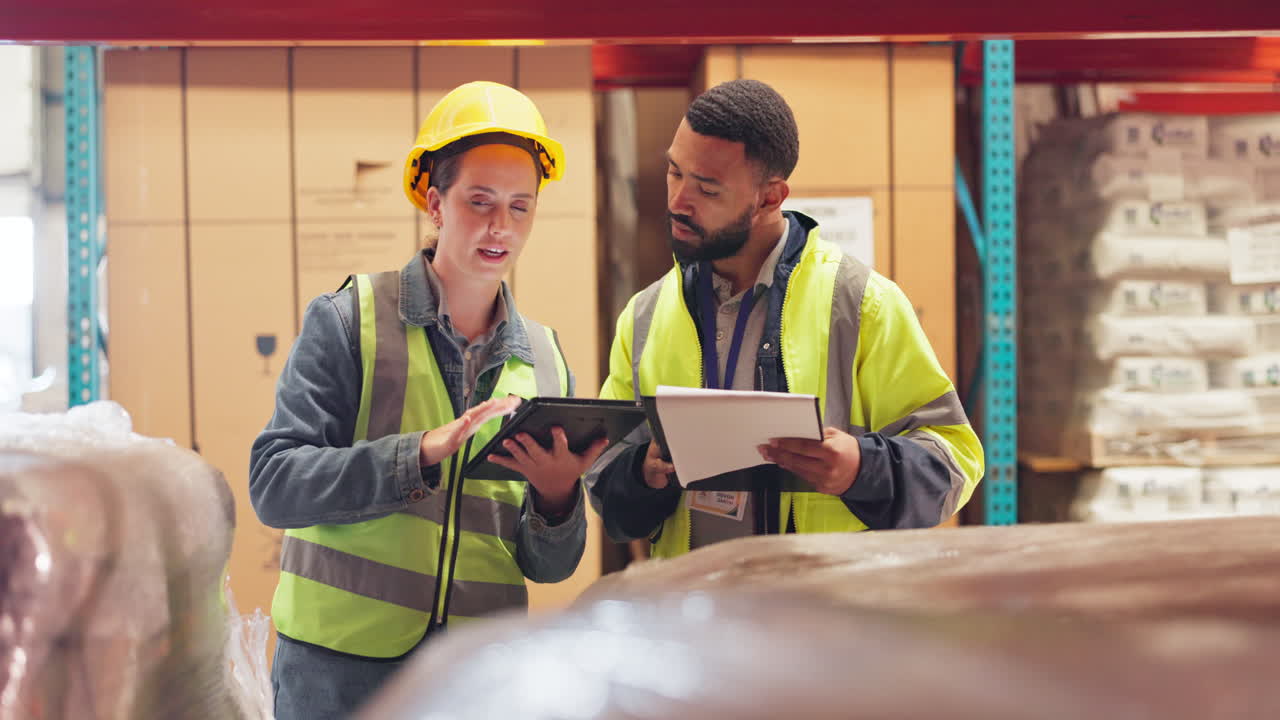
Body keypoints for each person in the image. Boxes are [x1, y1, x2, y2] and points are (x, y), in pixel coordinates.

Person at [249, 81, 607, 719]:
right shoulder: (348, 320)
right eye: (480, 201)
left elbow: (548, 567)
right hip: (339, 672)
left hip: (474, 676)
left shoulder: (546, 360)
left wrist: (557, 503)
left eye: (520, 207)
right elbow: (275, 485)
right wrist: (417, 455)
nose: (502, 226)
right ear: (436, 204)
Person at [587, 78, 984, 557]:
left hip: (817, 616)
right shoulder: (645, 315)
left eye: (707, 189)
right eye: (674, 173)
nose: (677, 202)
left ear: (770, 198)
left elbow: (954, 461)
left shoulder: (860, 304)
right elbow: (604, 476)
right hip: (692, 612)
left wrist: (863, 469)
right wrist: (640, 474)